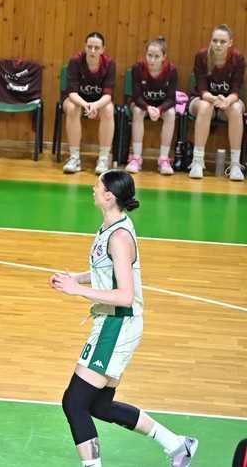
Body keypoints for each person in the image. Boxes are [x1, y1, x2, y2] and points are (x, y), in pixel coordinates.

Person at [51, 170, 198, 467]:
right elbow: (108, 272)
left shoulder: (119, 238)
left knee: (74, 402)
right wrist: (76, 277)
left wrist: (77, 290)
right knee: (100, 405)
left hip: (118, 324)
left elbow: (125, 295)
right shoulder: (109, 226)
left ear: (109, 196)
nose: (93, 189)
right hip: (114, 323)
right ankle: (177, 444)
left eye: (97, 186)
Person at [187, 24, 244, 181]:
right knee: (205, 106)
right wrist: (215, 99)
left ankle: (235, 165)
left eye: (222, 41)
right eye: (215, 40)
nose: (218, 44)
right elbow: (202, 89)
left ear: (230, 43)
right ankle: (197, 162)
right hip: (203, 99)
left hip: (228, 102)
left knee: (236, 109)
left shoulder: (238, 59)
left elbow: (236, 90)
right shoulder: (201, 56)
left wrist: (227, 101)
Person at [62, 33, 117, 175]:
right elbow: (72, 93)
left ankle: (103, 159)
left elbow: (108, 95)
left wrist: (95, 105)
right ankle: (74, 158)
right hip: (78, 100)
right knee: (72, 107)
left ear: (103, 49)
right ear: (85, 47)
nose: (92, 51)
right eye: (89, 47)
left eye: (96, 48)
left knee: (109, 110)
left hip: (99, 102)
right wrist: (86, 105)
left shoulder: (109, 64)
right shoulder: (75, 61)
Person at [125, 37, 178, 175]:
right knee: (137, 111)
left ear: (164, 57)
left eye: (156, 56)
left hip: (161, 106)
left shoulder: (172, 70)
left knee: (171, 113)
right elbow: (136, 97)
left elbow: (171, 99)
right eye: (149, 55)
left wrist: (159, 110)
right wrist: (148, 107)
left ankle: (164, 159)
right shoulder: (137, 68)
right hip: (142, 104)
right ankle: (136, 158)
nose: (152, 60)